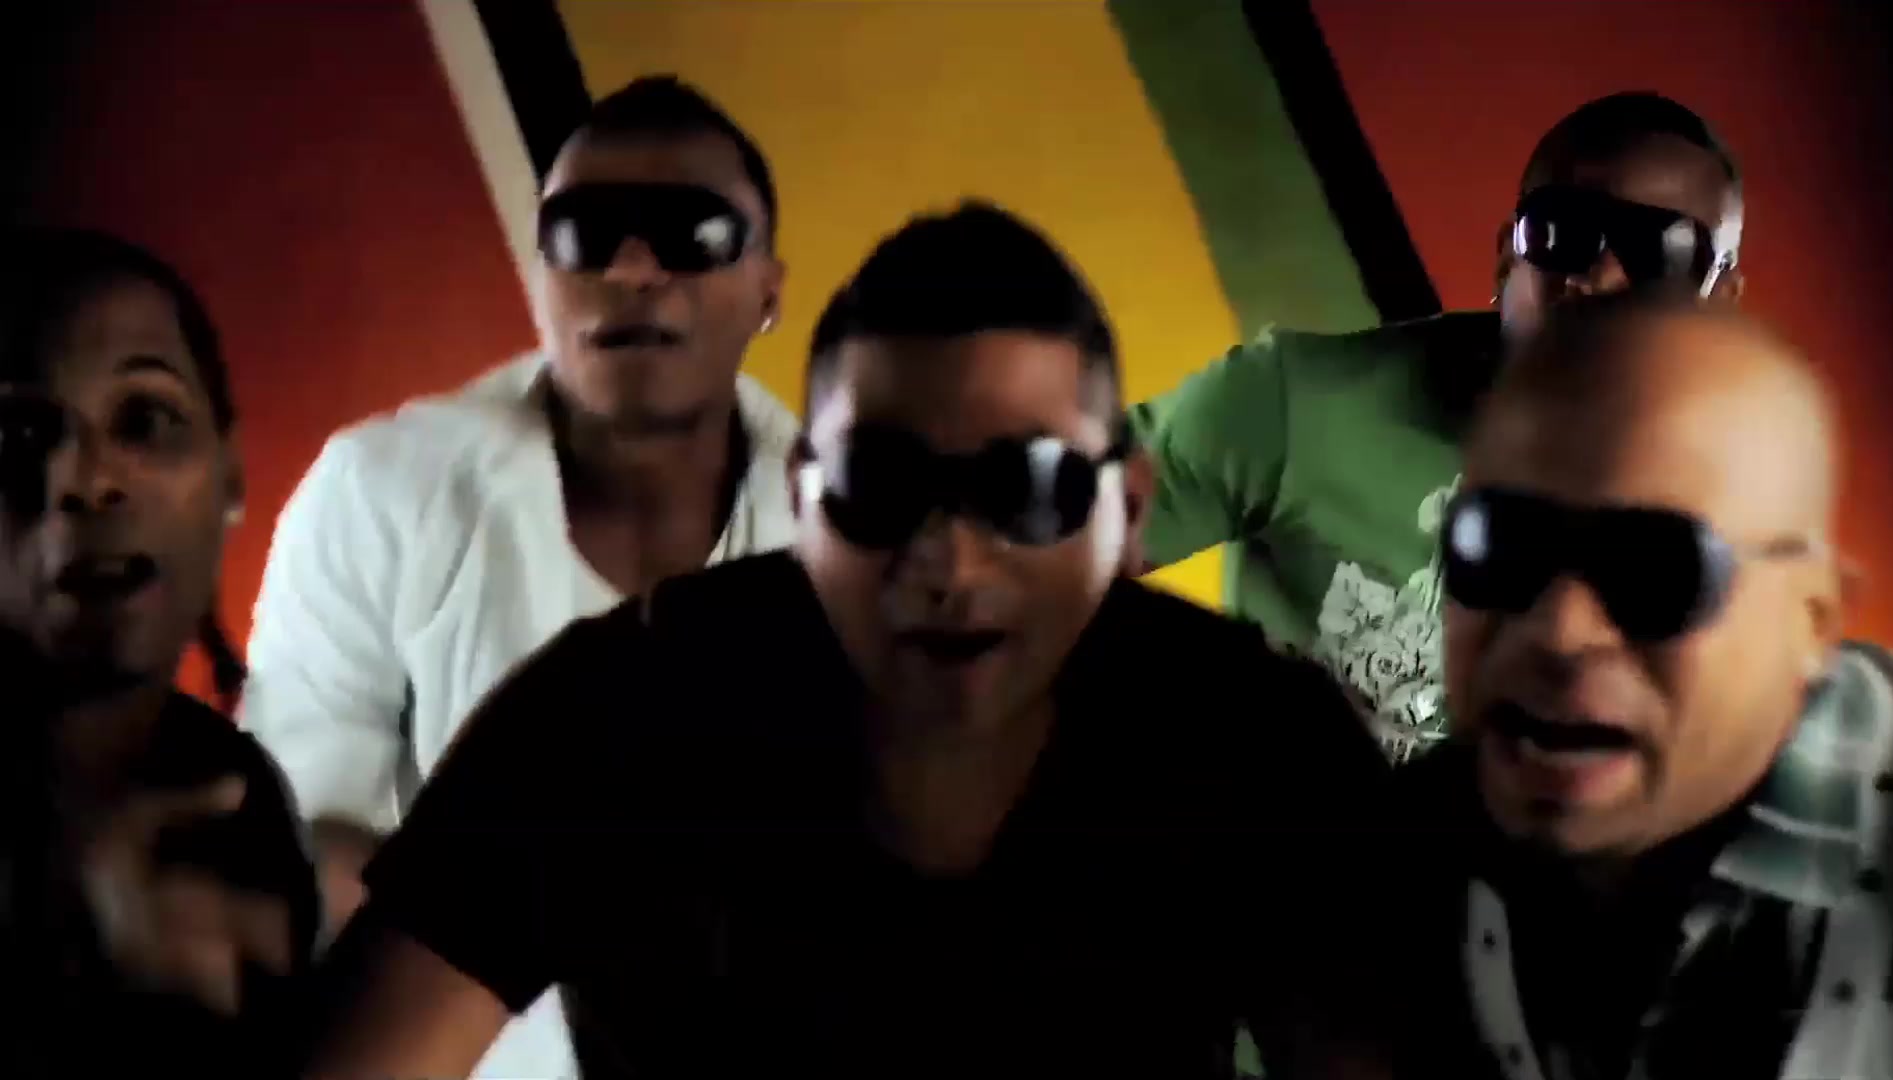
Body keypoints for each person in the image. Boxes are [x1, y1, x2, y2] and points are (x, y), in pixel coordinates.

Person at [295, 203, 1393, 1080]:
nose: (951, 561)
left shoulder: (1256, 741)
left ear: (1132, 510)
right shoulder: (607, 719)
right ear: (799, 499)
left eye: (1028, 487)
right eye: (880, 483)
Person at [240, 75, 795, 1076]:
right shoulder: (378, 491)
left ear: (769, 291)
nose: (632, 269)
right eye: (585, 234)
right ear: (541, 274)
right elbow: (300, 839)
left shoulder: (846, 531)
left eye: (693, 233)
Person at [1387, 293, 1893, 1078]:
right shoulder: (1393, 861)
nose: (1559, 631)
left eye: (1655, 570)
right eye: (1498, 543)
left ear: (1811, 622)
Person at [1131, 92, 1746, 761]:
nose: (1598, 276)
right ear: (1508, 257)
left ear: (1719, 301)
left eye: (1663, 251)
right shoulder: (1293, 402)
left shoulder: (1736, 527)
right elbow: (1052, 546)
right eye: (1563, 229)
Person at [0, 227, 317, 1076]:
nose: (86, 479)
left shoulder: (235, 789)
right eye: (18, 435)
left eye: (145, 419)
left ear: (231, 473)